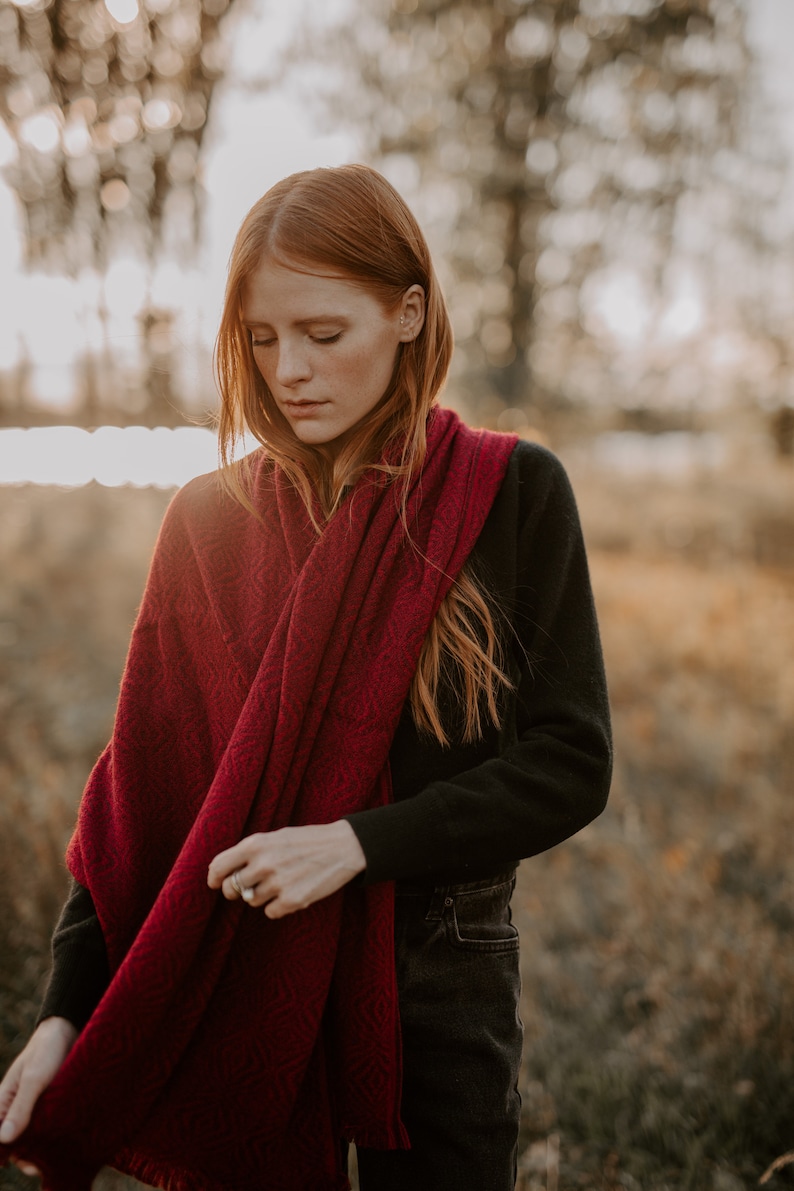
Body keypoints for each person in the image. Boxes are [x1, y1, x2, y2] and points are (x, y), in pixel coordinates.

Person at [0, 163, 611, 1191]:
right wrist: (65, 1012)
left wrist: (355, 846)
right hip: (247, 955)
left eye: (324, 335)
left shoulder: (508, 492)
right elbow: (139, 796)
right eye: (261, 338)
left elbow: (567, 762)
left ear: (408, 313)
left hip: (440, 961)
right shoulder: (207, 520)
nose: (289, 370)